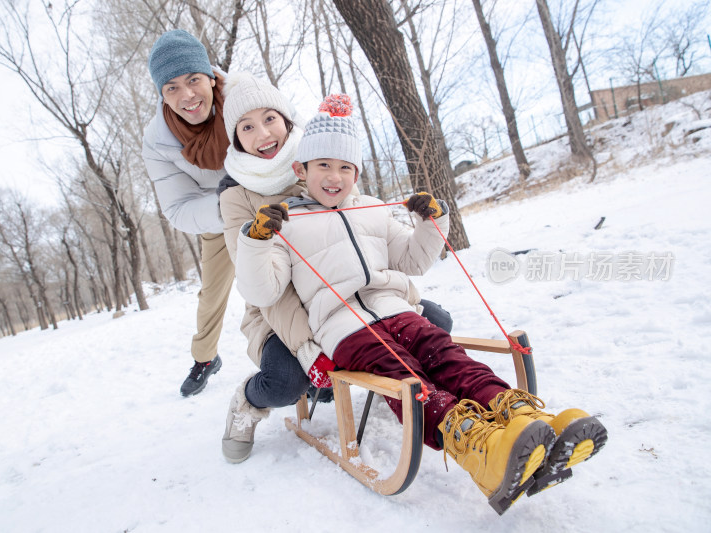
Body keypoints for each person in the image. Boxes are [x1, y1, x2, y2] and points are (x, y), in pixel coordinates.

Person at [233, 94, 608, 515]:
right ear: (302, 170)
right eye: (323, 166)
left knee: (450, 358)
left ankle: (524, 422)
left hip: (397, 309)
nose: (334, 176)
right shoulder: (286, 224)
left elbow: (412, 260)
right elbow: (263, 292)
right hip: (344, 330)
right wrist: (255, 241)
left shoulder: (373, 210)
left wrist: (433, 223)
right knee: (405, 377)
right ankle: (477, 447)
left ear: (357, 172)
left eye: (345, 167)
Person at [216, 74, 454, 464]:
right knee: (287, 382)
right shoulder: (236, 195)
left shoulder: (323, 155)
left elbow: (361, 237)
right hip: (280, 310)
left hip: (350, 297)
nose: (262, 133)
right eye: (247, 126)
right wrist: (310, 347)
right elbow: (265, 287)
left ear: (287, 120)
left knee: (436, 320)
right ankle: (248, 402)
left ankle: (392, 381)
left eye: (270, 118)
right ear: (237, 138)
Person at [142, 29, 231, 396]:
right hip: (218, 213)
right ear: (162, 94)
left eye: (193, 80)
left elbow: (292, 139)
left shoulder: (245, 98)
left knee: (285, 284)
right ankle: (205, 358)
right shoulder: (158, 141)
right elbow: (178, 209)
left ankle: (308, 357)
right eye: (172, 87)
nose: (187, 95)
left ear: (210, 77)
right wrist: (230, 204)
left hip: (271, 206)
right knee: (211, 293)